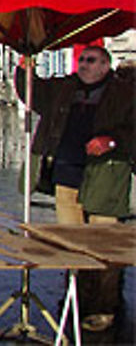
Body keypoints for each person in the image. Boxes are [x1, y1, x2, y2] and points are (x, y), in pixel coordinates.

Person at [16, 44, 134, 333]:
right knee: (72, 245)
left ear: (106, 66)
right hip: (65, 177)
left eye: (91, 61)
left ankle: (104, 307)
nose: (83, 64)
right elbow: (34, 93)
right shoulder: (65, 87)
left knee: (104, 245)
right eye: (81, 60)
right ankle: (77, 299)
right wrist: (23, 67)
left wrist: (112, 141)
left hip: (106, 179)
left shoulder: (125, 93)